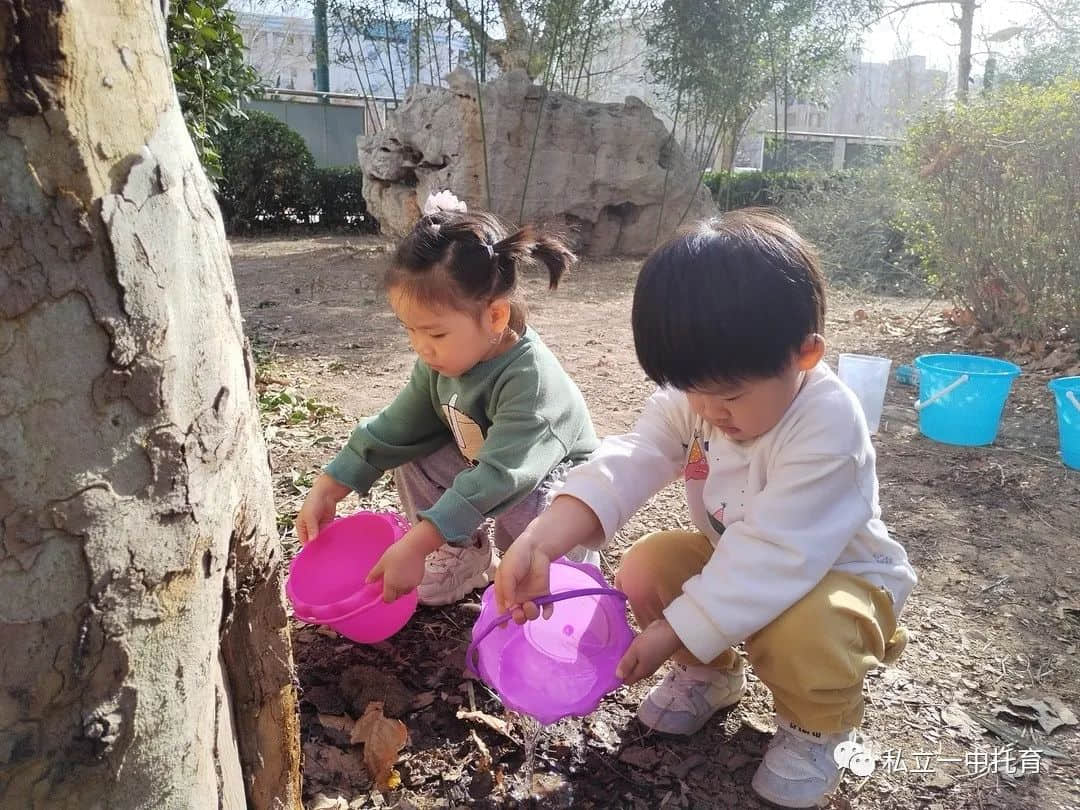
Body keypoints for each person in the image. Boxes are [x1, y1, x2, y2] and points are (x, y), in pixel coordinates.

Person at [495, 210, 917, 809]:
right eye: (694, 389)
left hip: (836, 579)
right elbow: (631, 459)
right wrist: (541, 541)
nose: (711, 411)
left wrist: (670, 630)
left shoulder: (827, 424)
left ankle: (817, 724)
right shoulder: (698, 399)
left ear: (805, 355)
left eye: (732, 395)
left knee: (806, 629)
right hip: (736, 558)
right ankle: (710, 672)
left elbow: (775, 552)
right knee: (645, 567)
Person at [296, 192, 598, 607]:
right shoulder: (444, 363)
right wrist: (331, 485)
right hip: (495, 468)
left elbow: (501, 478)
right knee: (413, 450)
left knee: (530, 515)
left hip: (549, 480)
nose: (421, 347)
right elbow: (397, 427)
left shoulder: (531, 382)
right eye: (410, 330)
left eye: (435, 333)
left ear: (495, 316)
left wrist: (417, 544)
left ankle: (566, 574)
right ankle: (463, 550)